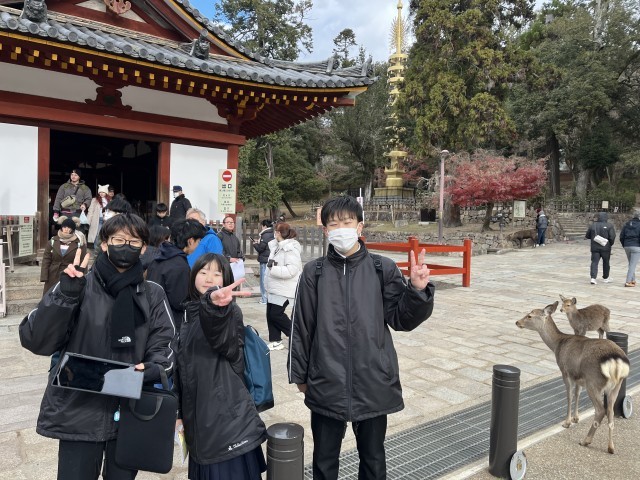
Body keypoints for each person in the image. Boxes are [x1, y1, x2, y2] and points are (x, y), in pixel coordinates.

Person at [288, 196, 435, 480]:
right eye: (334, 224)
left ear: (359, 226)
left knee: (373, 459)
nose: (341, 228)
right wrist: (301, 376)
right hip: (326, 380)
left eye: (347, 222)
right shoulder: (314, 272)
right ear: (325, 230)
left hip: (373, 380)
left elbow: (402, 320)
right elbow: (301, 327)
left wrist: (417, 291)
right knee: (324, 461)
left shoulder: (382, 268)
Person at [20, 213, 175, 480]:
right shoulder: (78, 285)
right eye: (118, 240)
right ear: (104, 243)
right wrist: (65, 295)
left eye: (134, 242)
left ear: (143, 248)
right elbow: (35, 339)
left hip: (129, 410)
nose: (126, 246)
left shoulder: (152, 294)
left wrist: (154, 368)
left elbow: (165, 343)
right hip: (78, 410)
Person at [173, 253, 266, 480]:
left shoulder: (228, 312)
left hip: (225, 423)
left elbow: (220, 336)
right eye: (203, 272)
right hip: (199, 420)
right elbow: (181, 368)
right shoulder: (187, 313)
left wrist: (214, 307)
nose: (208, 278)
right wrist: (179, 412)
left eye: (217, 273)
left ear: (225, 280)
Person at [147, 219, 203, 323]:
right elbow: (180, 301)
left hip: (153, 315)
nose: (198, 245)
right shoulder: (179, 265)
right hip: (169, 321)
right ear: (190, 241)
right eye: (198, 241)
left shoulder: (159, 256)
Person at [264, 223, 301, 350]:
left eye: (275, 231)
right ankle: (276, 341)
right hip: (274, 286)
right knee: (270, 314)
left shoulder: (290, 248)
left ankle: (296, 336)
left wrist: (273, 269)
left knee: (276, 314)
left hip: (284, 288)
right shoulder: (276, 246)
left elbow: (292, 270)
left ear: (278, 233)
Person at [40, 217, 88, 295]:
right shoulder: (53, 241)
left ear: (72, 229)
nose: (66, 229)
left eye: (69, 228)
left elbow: (83, 260)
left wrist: (83, 277)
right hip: (53, 274)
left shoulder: (79, 243)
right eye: (64, 227)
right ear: (61, 227)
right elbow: (46, 259)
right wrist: (44, 276)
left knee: (66, 297)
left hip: (70, 275)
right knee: (50, 297)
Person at [585, 211, 616, 285]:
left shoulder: (593, 225)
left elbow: (587, 236)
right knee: (606, 262)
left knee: (594, 262)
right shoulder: (609, 225)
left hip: (595, 247)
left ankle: (593, 278)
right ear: (606, 217)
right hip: (606, 247)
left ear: (598, 217)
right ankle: (606, 278)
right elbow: (612, 237)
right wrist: (610, 244)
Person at [252, 219, 275, 304]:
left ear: (264, 226)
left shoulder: (265, 235)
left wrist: (255, 244)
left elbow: (261, 249)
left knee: (263, 280)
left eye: (261, 226)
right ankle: (270, 298)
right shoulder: (273, 233)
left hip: (264, 259)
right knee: (270, 279)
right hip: (271, 259)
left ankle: (264, 299)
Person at [620, 208, 640, 287]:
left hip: (627, 246)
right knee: (632, 265)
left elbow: (621, 236)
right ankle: (628, 281)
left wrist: (624, 245)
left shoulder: (627, 224)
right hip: (636, 246)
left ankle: (632, 280)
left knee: (631, 264)